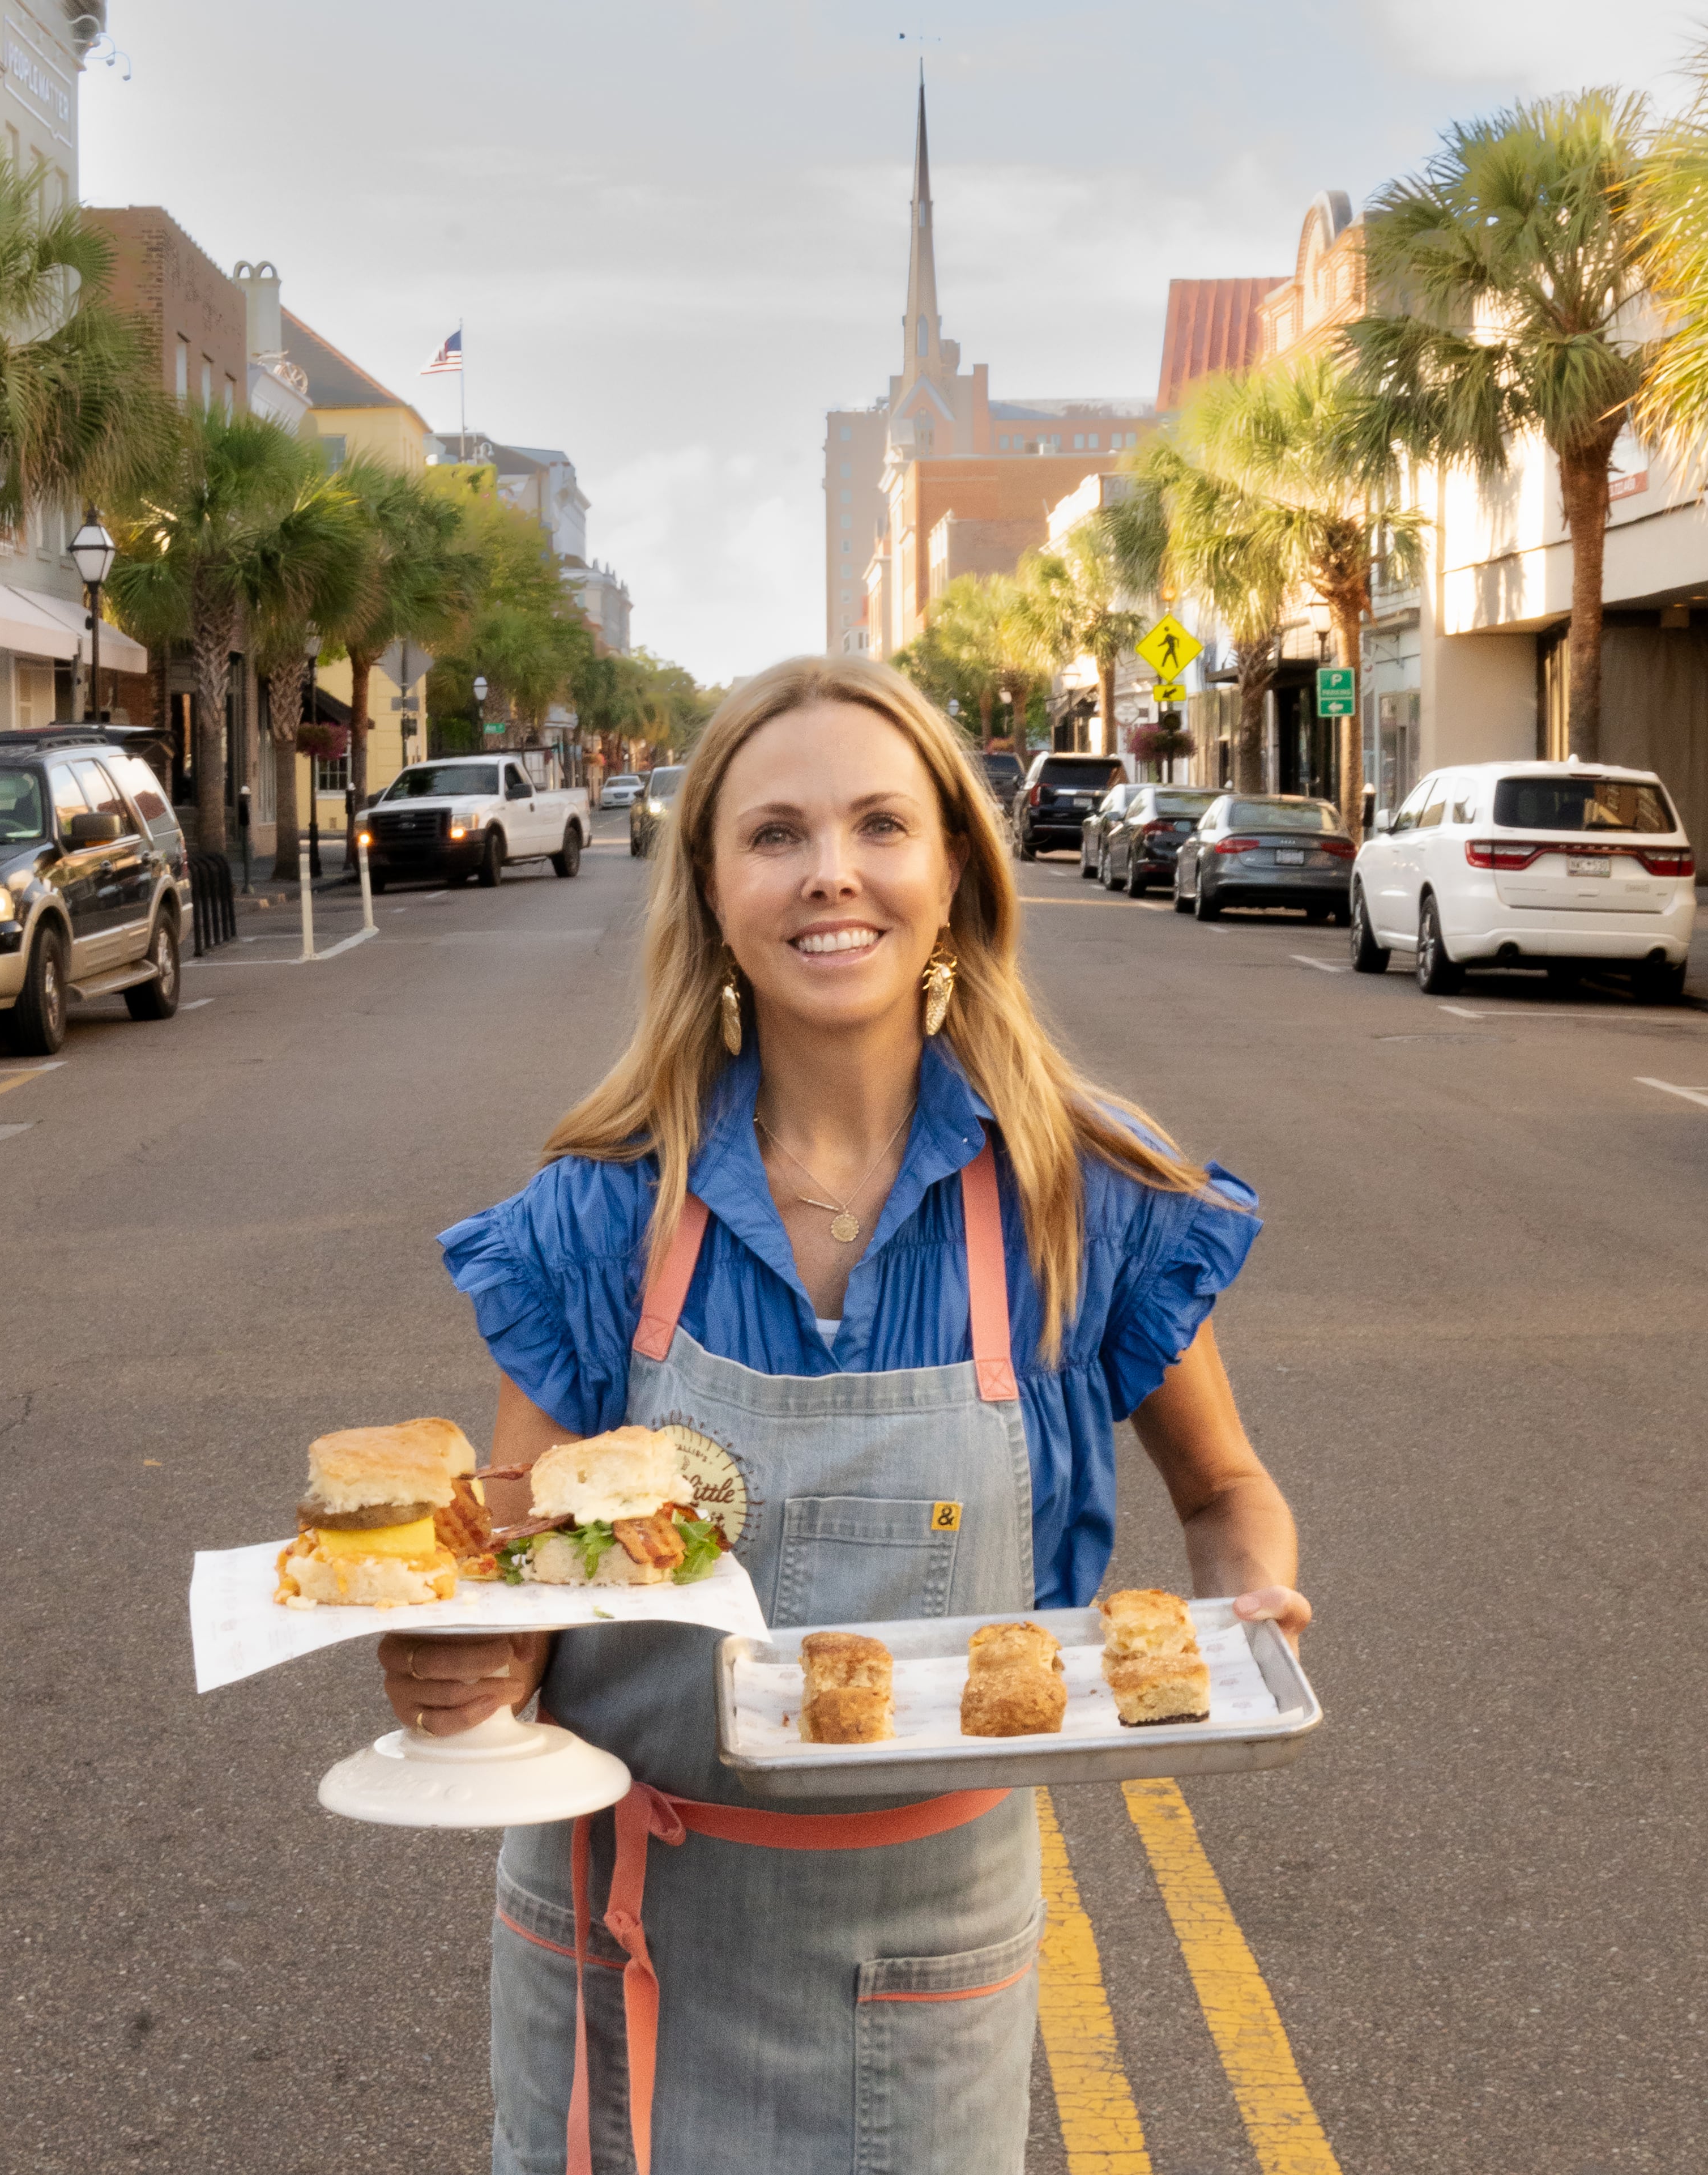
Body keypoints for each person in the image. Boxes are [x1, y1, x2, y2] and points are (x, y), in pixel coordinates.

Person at [380, 655, 1309, 2175]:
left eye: (881, 826)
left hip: (926, 1973)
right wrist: (455, 1658)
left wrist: (1243, 1605)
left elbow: (1222, 1497)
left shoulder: (1085, 1193)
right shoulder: (604, 1214)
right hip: (622, 1950)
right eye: (776, 835)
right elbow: (517, 1559)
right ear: (714, 890)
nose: (834, 875)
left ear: (952, 869)